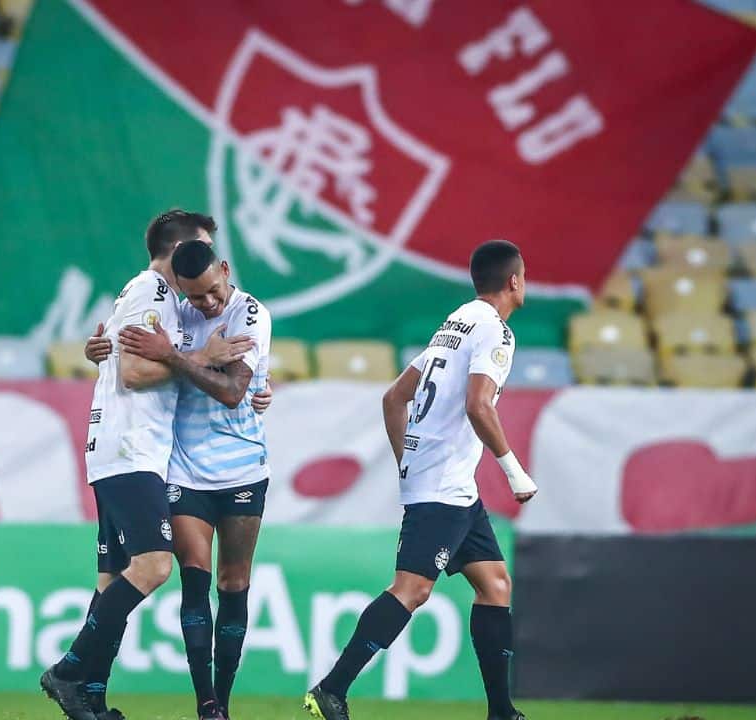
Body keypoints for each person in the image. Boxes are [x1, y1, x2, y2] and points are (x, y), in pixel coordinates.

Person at [303, 239, 538, 720]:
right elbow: (479, 405)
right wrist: (514, 471)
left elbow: (394, 398)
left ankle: (501, 711)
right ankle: (331, 689)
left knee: (494, 584)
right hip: (444, 485)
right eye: (524, 276)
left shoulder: (455, 323)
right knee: (412, 589)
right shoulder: (495, 331)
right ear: (514, 281)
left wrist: (406, 460)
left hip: (450, 483)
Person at [41, 210, 241, 720]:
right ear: (180, 252)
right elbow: (133, 371)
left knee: (113, 579)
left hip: (121, 448)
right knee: (154, 566)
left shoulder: (156, 298)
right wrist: (205, 355)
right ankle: (68, 670)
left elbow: (121, 358)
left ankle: (90, 695)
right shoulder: (152, 291)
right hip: (131, 448)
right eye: (200, 248)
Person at [116, 240, 272, 720]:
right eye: (195, 296)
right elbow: (135, 360)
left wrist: (178, 357)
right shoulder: (175, 314)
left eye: (212, 291)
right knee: (194, 581)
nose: (206, 303)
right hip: (184, 470)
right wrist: (99, 347)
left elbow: (231, 391)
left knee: (234, 582)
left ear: (225, 270)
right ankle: (206, 704)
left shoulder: (249, 315)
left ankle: (223, 699)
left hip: (243, 466)